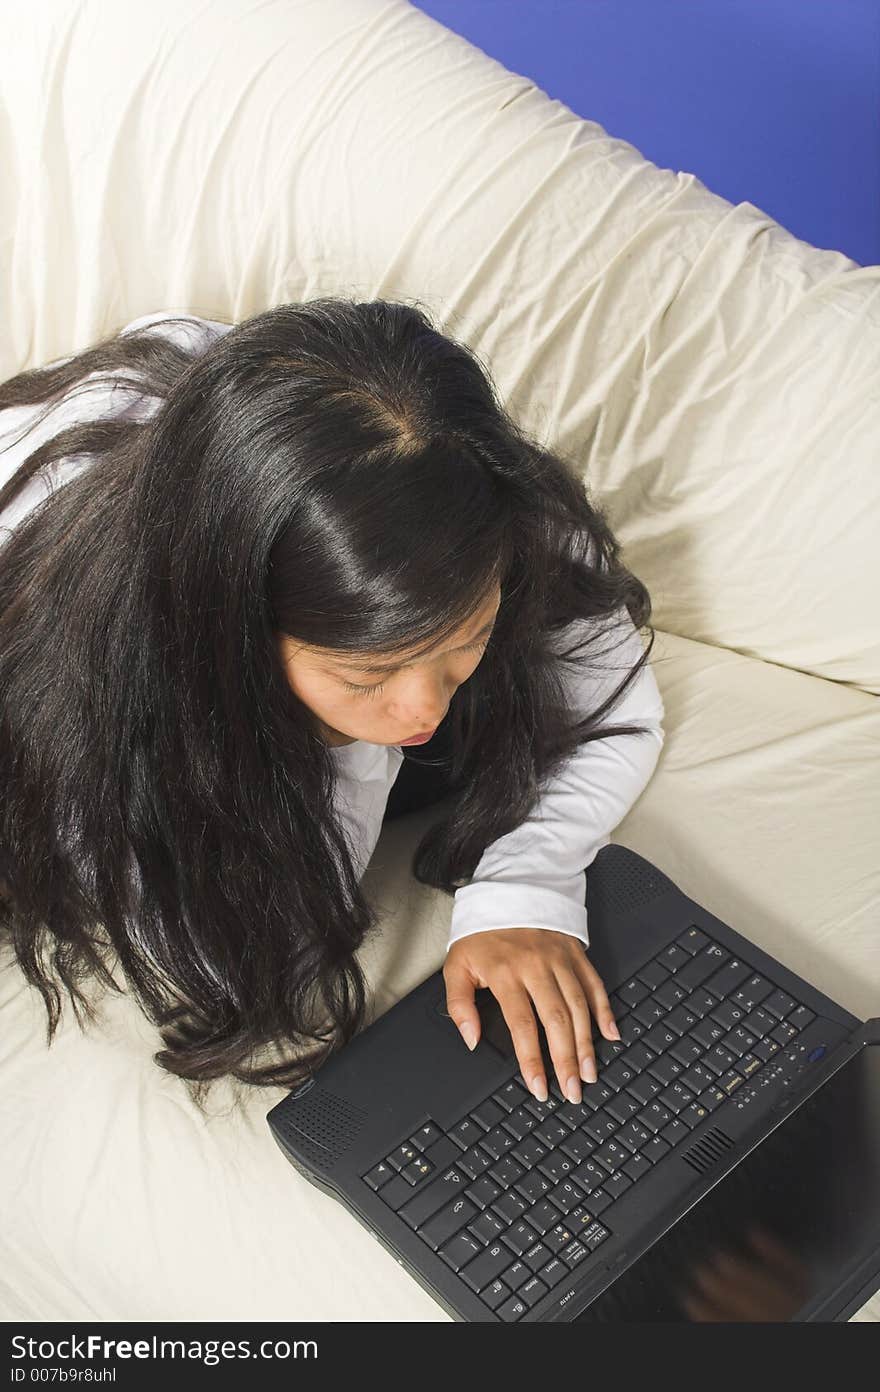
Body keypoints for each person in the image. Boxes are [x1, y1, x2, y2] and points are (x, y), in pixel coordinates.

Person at [0, 298, 665, 1111]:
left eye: (470, 633)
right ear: (236, 644)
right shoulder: (88, 699)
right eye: (366, 676)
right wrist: (346, 744)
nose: (423, 708)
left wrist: (524, 888)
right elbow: (250, 955)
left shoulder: (502, 517)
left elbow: (620, 695)